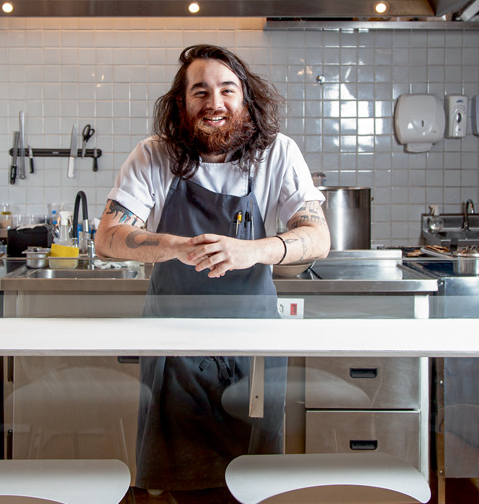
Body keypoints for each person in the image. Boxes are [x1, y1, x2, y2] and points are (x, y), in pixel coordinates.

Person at [95, 44, 330, 502]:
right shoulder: (154, 155)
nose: (215, 103)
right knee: (183, 484)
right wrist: (175, 246)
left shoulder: (277, 154)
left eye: (227, 89)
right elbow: (107, 237)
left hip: (253, 345)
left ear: (246, 99)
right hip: (174, 348)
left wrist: (253, 251)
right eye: (199, 91)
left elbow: (317, 236)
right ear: (181, 104)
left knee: (252, 483)